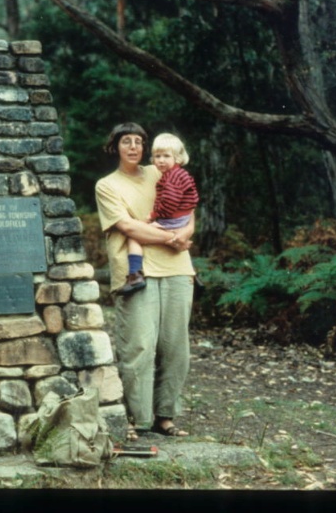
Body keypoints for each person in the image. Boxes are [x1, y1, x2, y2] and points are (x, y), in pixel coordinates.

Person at [95, 122, 195, 441]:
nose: (134, 147)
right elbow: (130, 228)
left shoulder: (161, 169)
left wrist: (186, 234)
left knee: (175, 347)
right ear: (116, 147)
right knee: (139, 346)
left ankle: (165, 417)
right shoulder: (107, 185)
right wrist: (171, 238)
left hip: (178, 268)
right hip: (135, 273)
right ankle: (137, 419)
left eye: (139, 141)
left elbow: (188, 206)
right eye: (127, 141)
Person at [119, 132, 199, 295]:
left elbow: (169, 202)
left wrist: (153, 215)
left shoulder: (172, 178)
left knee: (135, 236)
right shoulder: (180, 174)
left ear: (177, 158)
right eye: (157, 156)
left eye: (166, 156)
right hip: (182, 218)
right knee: (175, 237)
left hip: (173, 219)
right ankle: (195, 275)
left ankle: (135, 274)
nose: (161, 160)